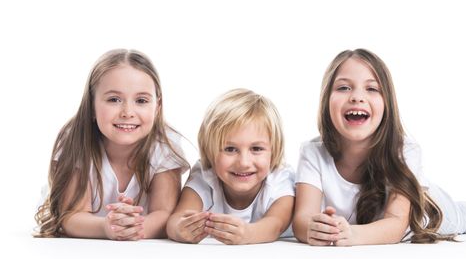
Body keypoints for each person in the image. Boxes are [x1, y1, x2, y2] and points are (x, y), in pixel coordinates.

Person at [293, 49, 466, 246]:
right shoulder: (312, 153)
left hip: (429, 213)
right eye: (343, 87)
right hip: (356, 228)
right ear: (325, 99)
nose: (357, 97)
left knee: (465, 217)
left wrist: (352, 235)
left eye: (372, 88)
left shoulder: (405, 150)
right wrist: (313, 229)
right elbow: (302, 219)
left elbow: (395, 225)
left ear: (387, 104)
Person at [34, 49, 189, 240]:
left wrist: (133, 228)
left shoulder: (165, 145)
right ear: (91, 106)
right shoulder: (75, 140)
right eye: (114, 100)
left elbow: (164, 213)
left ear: (157, 107)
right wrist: (107, 227)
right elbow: (71, 216)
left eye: (141, 100)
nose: (127, 112)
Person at [167, 88, 295, 244]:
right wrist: (180, 229)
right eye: (230, 149)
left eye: (256, 149)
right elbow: (177, 218)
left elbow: (276, 224)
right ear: (210, 152)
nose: (244, 163)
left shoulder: (281, 178)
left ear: (274, 151)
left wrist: (247, 234)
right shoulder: (205, 175)